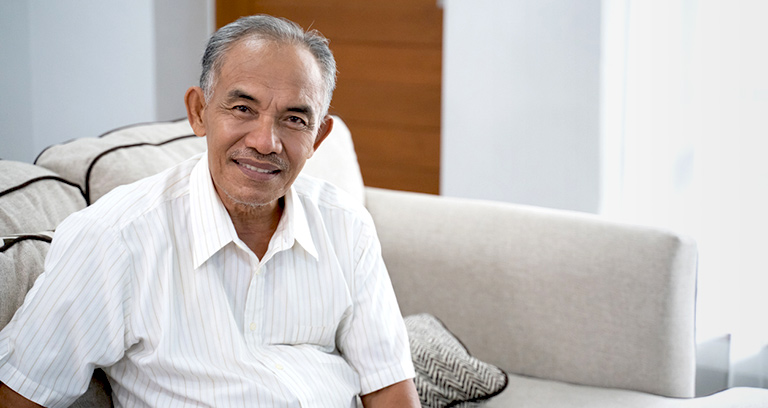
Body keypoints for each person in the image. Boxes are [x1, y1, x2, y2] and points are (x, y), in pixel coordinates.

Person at [0, 14, 419, 408]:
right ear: (199, 112)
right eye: (242, 109)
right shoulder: (114, 239)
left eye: (294, 118)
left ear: (318, 136)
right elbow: (21, 391)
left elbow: (389, 387)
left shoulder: (347, 226)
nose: (265, 141)